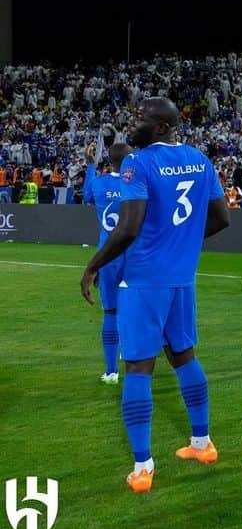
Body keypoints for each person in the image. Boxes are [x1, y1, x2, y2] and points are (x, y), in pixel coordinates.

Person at [78, 97, 231, 494]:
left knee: (139, 369)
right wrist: (178, 243)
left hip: (144, 279)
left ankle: (143, 467)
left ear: (161, 127)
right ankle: (202, 443)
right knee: (183, 357)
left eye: (141, 118)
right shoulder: (200, 159)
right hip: (182, 277)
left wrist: (94, 264)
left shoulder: (138, 163)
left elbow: (128, 229)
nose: (133, 124)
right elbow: (222, 218)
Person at [83, 141, 134, 385]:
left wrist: (91, 165)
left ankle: (112, 371)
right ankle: (133, 355)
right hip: (134, 256)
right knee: (134, 309)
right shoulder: (136, 183)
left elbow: (85, 196)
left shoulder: (99, 183)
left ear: (110, 161)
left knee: (111, 311)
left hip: (108, 257)